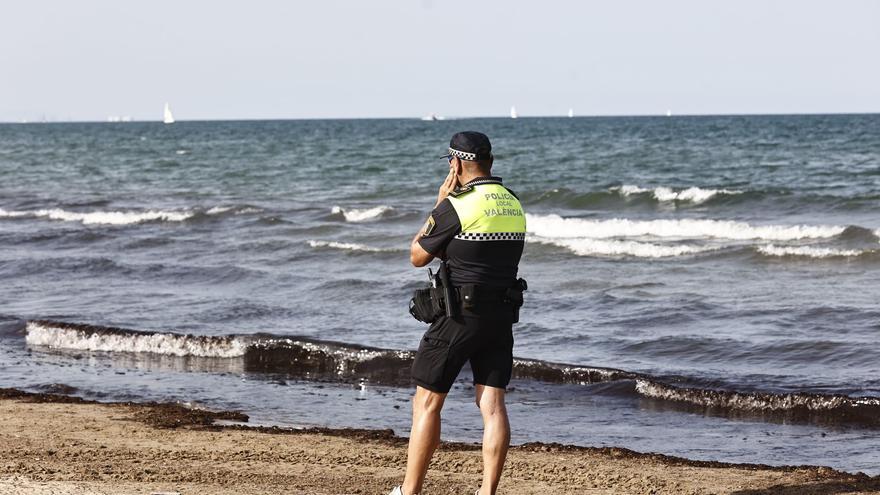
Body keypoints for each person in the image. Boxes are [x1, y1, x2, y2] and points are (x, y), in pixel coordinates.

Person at [389, 131, 527, 495]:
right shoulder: (513, 203)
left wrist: (439, 205)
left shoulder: (458, 205)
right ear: (490, 162)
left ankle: (409, 491)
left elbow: (417, 255)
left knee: (428, 402)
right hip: (501, 316)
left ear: (457, 163)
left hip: (458, 316)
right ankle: (487, 492)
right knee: (493, 405)